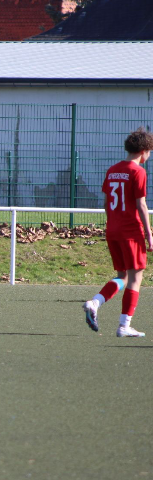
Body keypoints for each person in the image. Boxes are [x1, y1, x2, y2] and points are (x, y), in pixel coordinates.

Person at [83, 127, 153, 337]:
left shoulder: (112, 170)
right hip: (131, 231)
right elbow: (141, 204)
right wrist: (149, 233)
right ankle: (124, 325)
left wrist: (113, 221)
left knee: (123, 275)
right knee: (136, 277)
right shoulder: (138, 171)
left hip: (113, 229)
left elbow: (106, 202)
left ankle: (95, 302)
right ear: (144, 151)